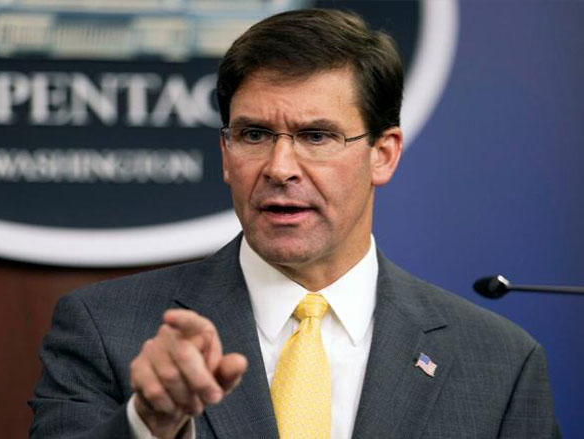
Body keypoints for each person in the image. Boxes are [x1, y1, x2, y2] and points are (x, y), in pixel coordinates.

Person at [29, 9, 560, 439]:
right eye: (254, 135)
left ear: (383, 154)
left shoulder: (499, 363)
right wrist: (149, 425)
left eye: (316, 136)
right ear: (225, 153)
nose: (279, 168)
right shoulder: (107, 329)